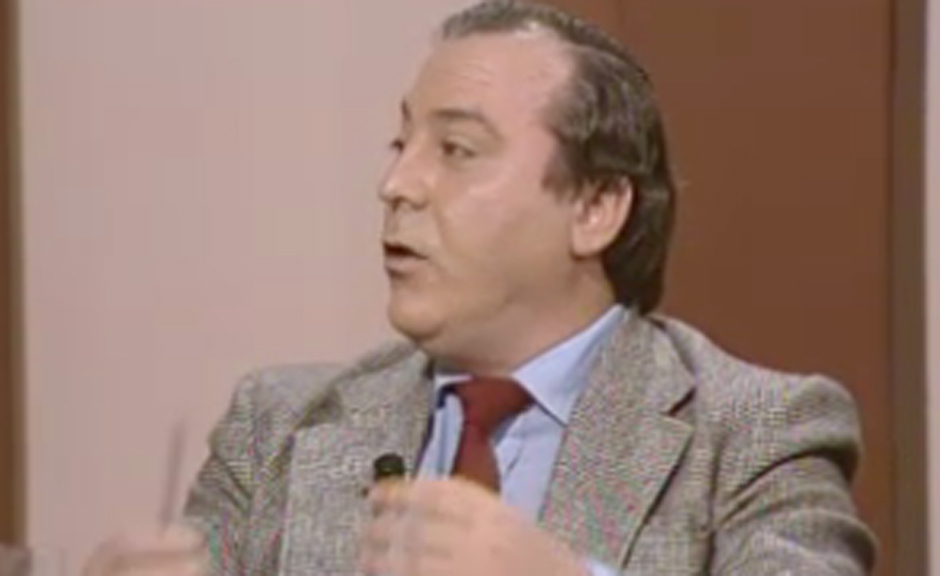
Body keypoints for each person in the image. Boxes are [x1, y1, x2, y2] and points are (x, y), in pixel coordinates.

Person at [84, 1, 876, 575]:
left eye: (456, 150)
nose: (397, 184)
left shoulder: (753, 433)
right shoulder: (279, 427)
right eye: (401, 144)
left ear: (595, 208)